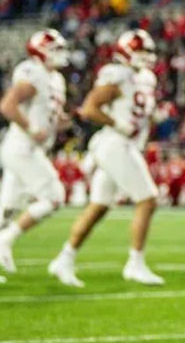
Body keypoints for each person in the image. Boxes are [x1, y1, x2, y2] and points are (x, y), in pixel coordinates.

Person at [49, 29, 163, 287]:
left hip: (126, 144)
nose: (146, 56)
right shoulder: (117, 74)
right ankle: (135, 264)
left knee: (99, 206)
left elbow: (137, 110)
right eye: (141, 51)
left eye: (148, 51)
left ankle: (64, 259)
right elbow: (90, 108)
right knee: (148, 199)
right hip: (115, 143)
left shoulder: (147, 78)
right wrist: (118, 123)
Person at [0, 30, 70, 277]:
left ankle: (4, 238)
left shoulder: (56, 79)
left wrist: (60, 121)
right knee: (54, 197)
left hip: (30, 148)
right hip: (22, 147)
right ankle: (6, 239)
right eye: (55, 49)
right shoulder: (33, 72)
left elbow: (46, 111)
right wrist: (31, 128)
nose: (60, 54)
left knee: (6, 209)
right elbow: (8, 105)